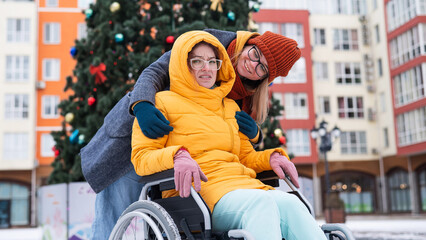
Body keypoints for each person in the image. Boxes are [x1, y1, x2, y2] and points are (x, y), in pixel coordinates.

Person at [82, 29, 301, 239]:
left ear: (266, 78)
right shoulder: (210, 43)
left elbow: (237, 142)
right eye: (255, 54)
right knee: (110, 221)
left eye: (262, 68)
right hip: (137, 135)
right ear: (250, 43)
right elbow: (155, 71)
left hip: (189, 165)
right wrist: (142, 105)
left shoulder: (247, 90)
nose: (253, 65)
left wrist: (257, 136)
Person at [131, 30, 325, 240]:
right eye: (197, 62)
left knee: (292, 204)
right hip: (198, 195)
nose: (207, 68)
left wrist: (272, 157)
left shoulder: (231, 107)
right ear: (182, 63)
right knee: (261, 204)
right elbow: (141, 158)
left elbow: (246, 157)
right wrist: (176, 156)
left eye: (213, 62)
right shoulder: (161, 103)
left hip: (243, 186)